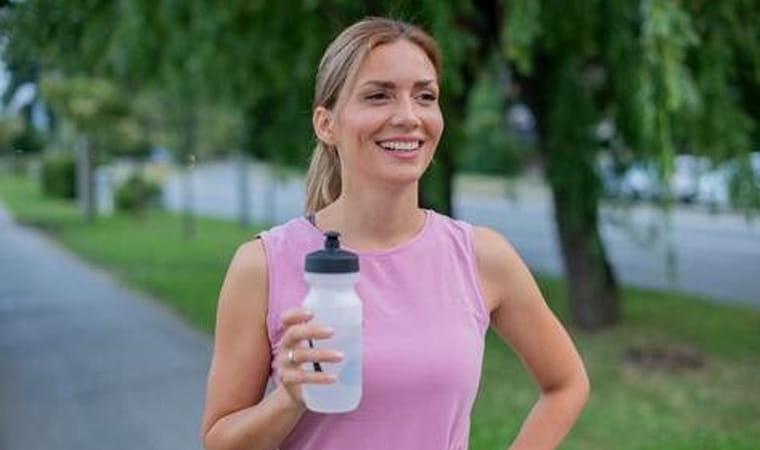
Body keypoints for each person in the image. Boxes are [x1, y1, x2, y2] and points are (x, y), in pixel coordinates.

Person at [201, 17, 589, 450]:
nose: (408, 116)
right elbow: (220, 441)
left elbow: (566, 383)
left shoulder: (481, 256)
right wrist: (290, 399)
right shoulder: (263, 265)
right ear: (326, 124)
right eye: (379, 95)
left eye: (425, 96)